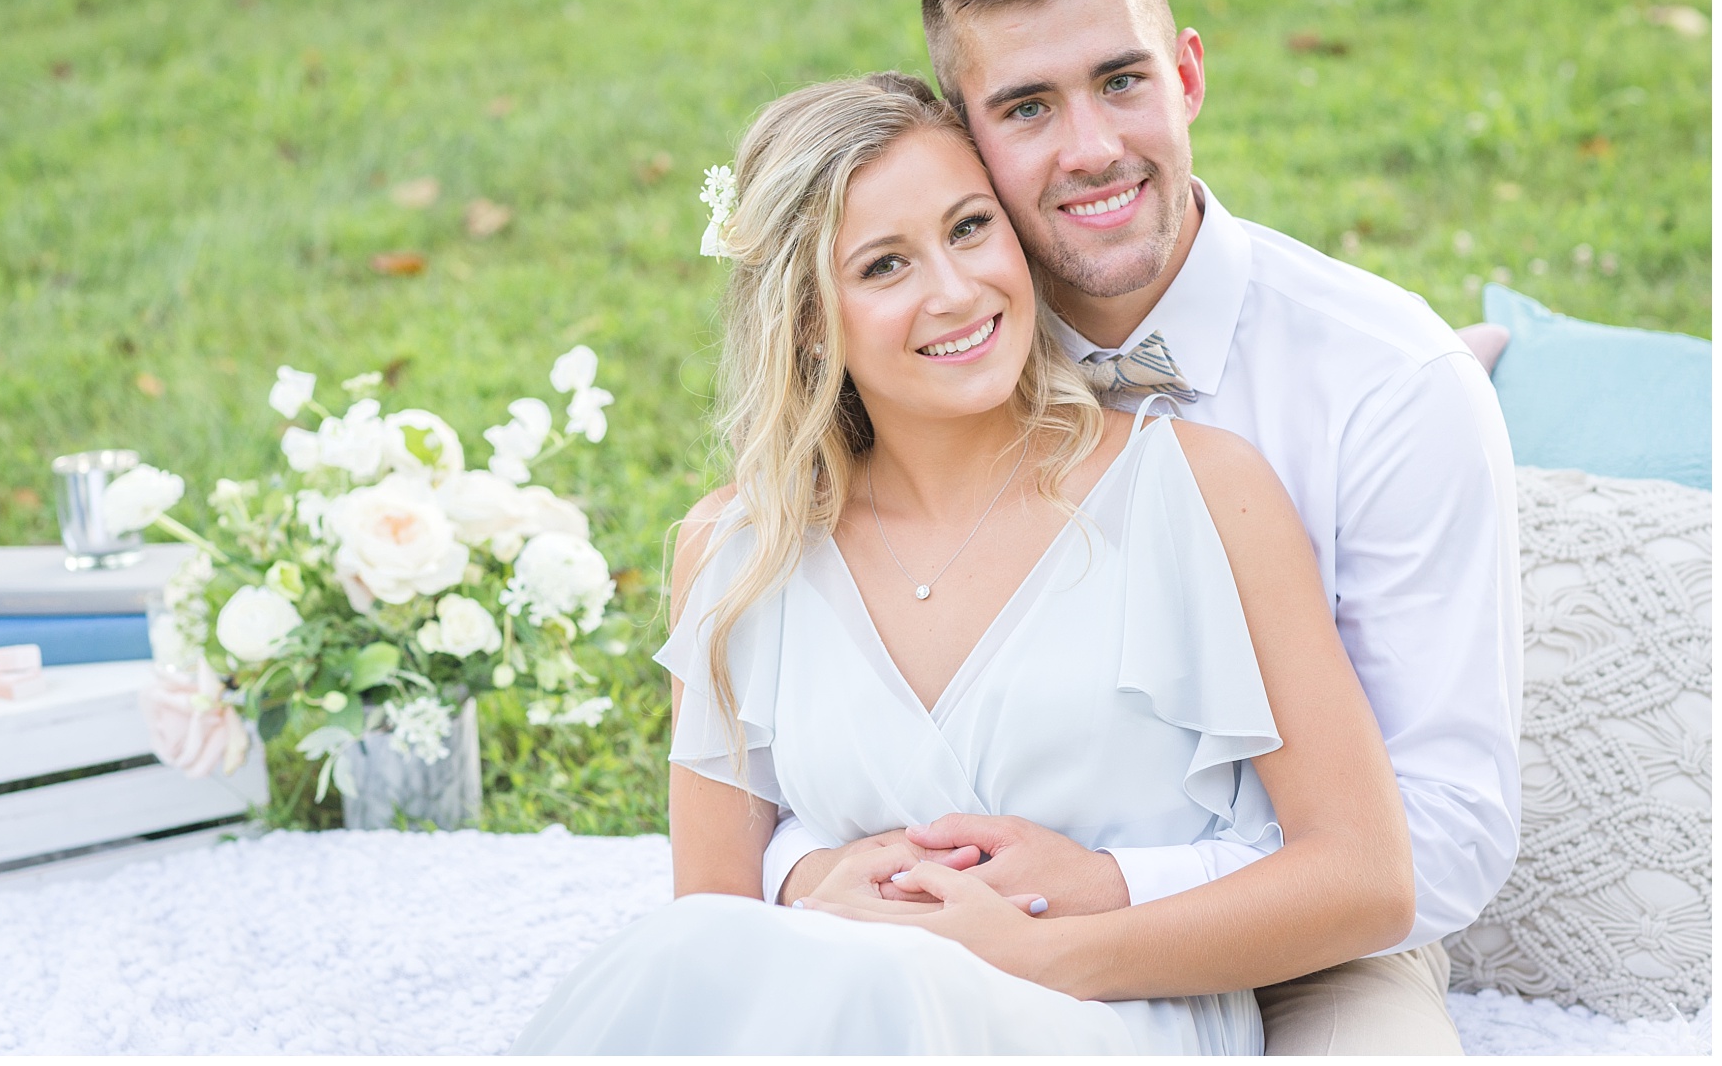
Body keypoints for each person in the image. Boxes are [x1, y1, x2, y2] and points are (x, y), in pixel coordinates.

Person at [762, 0, 1523, 1056]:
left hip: (1304, 935)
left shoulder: (1388, 383)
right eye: (1027, 107)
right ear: (966, 137)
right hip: (939, 928)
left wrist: (1106, 889)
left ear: (1188, 76)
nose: (1092, 149)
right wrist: (821, 874)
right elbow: (797, 706)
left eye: (1122, 80)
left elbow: (1445, 837)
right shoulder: (936, 334)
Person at [512, 72, 1414, 1054]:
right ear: (808, 318)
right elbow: (715, 925)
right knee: (671, 959)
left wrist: (1042, 948)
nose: (954, 291)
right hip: (843, 1013)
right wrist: (811, 883)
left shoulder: (1201, 491)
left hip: (1109, 1017)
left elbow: (1366, 880)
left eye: (971, 227)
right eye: (884, 265)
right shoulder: (739, 550)